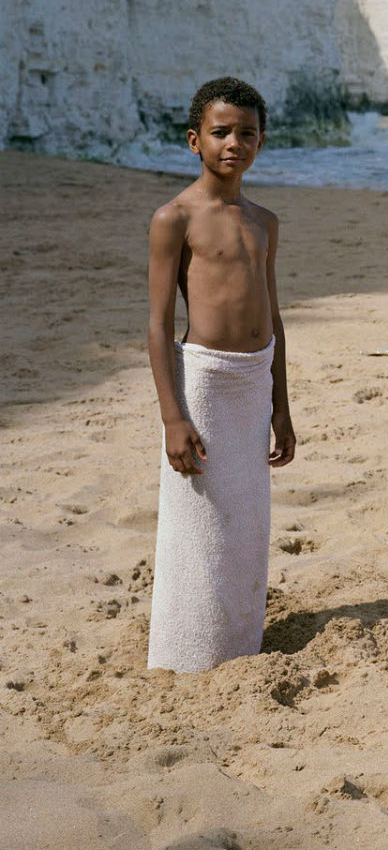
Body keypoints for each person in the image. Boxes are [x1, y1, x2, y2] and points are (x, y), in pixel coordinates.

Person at [145, 77, 295, 671]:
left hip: (254, 381)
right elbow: (158, 325)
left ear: (261, 142)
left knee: (245, 522)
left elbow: (274, 314)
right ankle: (186, 651)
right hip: (204, 381)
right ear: (194, 140)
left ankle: (237, 644)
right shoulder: (174, 217)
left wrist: (282, 405)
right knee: (199, 519)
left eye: (248, 133)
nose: (236, 142)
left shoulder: (264, 221)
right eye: (221, 132)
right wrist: (172, 416)